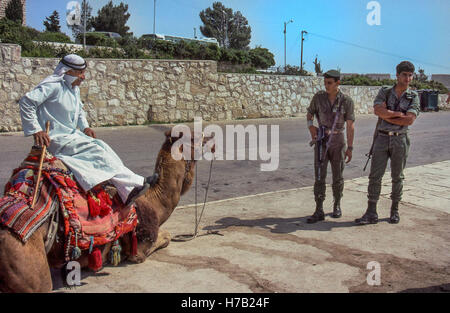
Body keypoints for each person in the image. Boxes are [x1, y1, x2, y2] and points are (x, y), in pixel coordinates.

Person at [19, 54, 157, 207]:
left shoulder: (74, 89)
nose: (83, 77)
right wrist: (36, 130)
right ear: (69, 72)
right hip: (56, 138)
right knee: (96, 152)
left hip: (71, 136)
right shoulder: (53, 86)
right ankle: (135, 184)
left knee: (102, 147)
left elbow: (79, 112)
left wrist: (85, 126)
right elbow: (26, 102)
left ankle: (128, 187)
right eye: (81, 73)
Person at [355, 61, 420, 225]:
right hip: (382, 138)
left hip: (400, 138)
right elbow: (377, 110)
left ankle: (394, 210)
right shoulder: (385, 91)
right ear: (397, 75)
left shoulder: (414, 96)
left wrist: (387, 114)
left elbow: (410, 119)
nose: (407, 78)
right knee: (375, 176)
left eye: (410, 75)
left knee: (397, 176)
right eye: (404, 74)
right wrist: (398, 114)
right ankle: (371, 212)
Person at [306, 70, 355, 223]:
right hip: (321, 140)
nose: (326, 86)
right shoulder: (318, 98)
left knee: (338, 176)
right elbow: (310, 113)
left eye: (329, 83)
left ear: (337, 83)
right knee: (319, 176)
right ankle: (319, 209)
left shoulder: (346, 101)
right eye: (325, 82)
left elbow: (350, 125)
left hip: (338, 141)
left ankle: (337, 205)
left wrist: (350, 147)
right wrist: (311, 127)